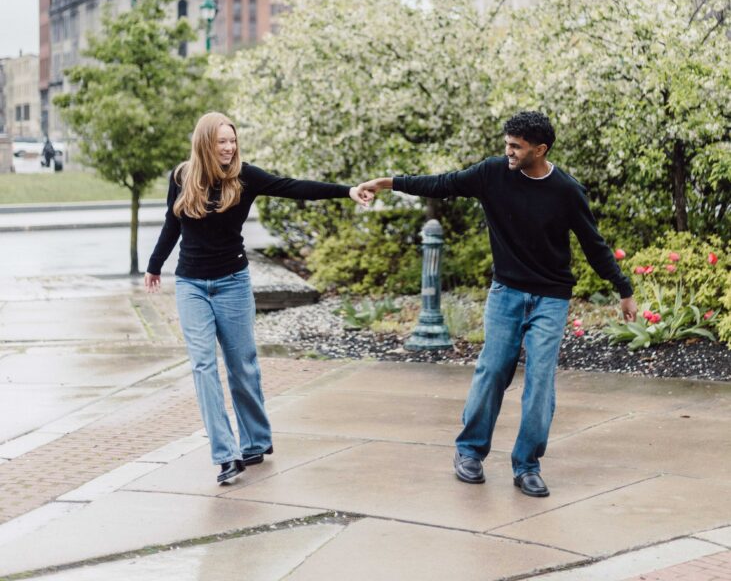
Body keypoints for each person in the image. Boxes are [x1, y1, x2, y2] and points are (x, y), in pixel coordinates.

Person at [357, 110, 636, 497]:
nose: (508, 151)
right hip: (506, 293)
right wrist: (386, 182)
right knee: (492, 371)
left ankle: (527, 465)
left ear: (540, 149)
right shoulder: (492, 173)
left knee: (540, 383)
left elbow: (594, 244)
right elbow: (441, 183)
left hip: (551, 298)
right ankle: (469, 452)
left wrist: (623, 289)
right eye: (506, 143)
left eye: (516, 146)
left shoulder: (567, 191)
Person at [145, 111, 371, 485]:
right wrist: (155, 265)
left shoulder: (245, 177)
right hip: (191, 285)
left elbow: (293, 186)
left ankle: (256, 440)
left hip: (232, 281)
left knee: (242, 365)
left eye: (232, 140)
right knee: (203, 366)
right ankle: (226, 454)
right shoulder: (182, 176)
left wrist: (345, 191)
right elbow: (173, 222)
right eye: (221, 141)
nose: (229, 147)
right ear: (205, 143)